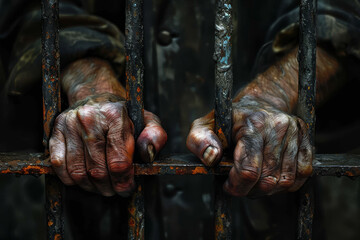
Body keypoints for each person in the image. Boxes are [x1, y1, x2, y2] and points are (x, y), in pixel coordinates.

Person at [1, 0, 360, 239]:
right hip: (95, 215)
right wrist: (89, 83)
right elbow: (27, 8)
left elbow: (345, 12)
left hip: (268, 215)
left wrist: (274, 95)